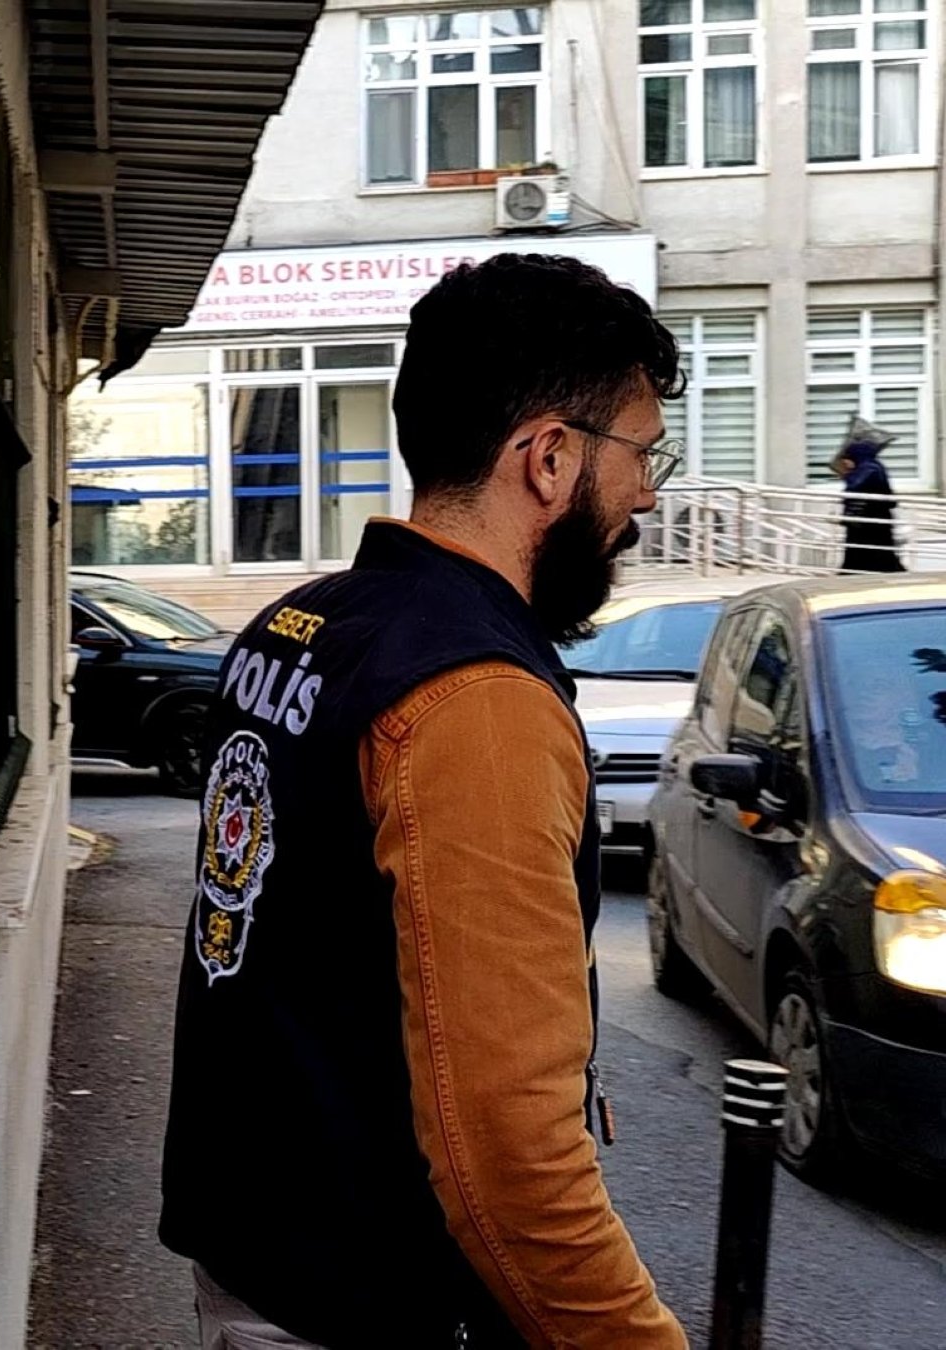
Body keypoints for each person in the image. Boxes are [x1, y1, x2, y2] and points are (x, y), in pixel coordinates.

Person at [159, 254, 689, 1348]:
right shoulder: (475, 701)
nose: (646, 493)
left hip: (262, 1263)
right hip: (372, 1302)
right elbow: (509, 1149)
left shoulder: (300, 627)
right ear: (549, 457)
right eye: (641, 453)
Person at [833, 424, 907, 574]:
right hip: (871, 520)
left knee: (869, 552)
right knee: (875, 552)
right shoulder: (873, 466)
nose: (846, 462)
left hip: (868, 521)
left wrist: (847, 475)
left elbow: (854, 487)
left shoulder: (868, 469)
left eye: (848, 458)